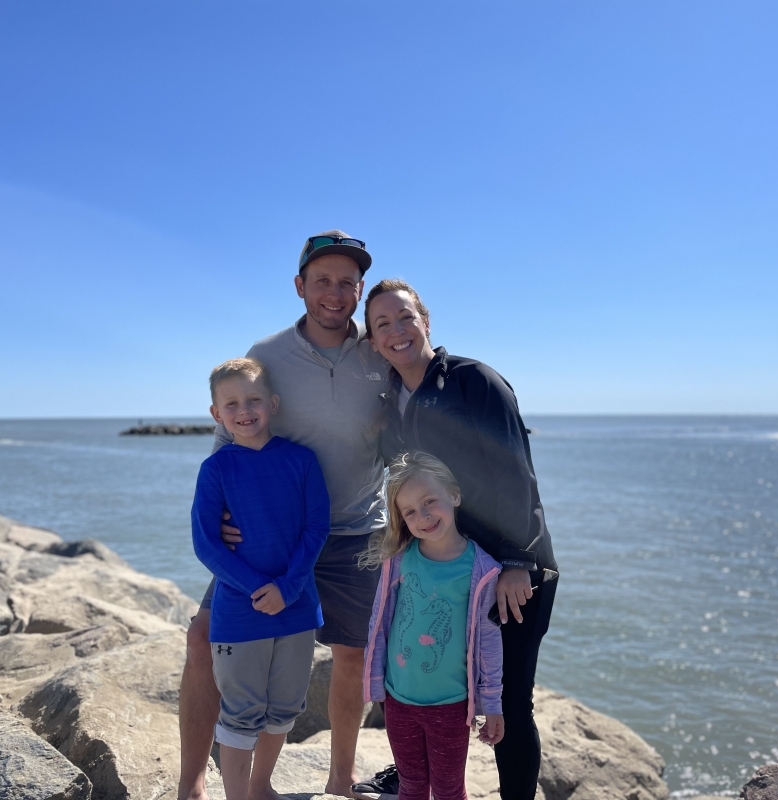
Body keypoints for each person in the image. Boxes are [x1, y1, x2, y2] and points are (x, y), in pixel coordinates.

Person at [178, 231, 388, 800]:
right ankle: (191, 784)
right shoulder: (266, 354)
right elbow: (230, 435)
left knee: (353, 655)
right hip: (267, 533)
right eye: (322, 281)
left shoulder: (380, 352)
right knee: (201, 638)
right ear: (299, 286)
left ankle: (340, 781)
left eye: (347, 282)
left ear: (360, 289)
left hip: (355, 529)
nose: (334, 293)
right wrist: (222, 512)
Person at [356, 279, 558, 800]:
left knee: (509, 702)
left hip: (505, 571)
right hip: (439, 567)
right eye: (382, 324)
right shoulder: (389, 404)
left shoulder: (474, 382)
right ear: (373, 341)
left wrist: (517, 560)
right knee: (425, 679)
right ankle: (411, 774)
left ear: (425, 321)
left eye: (406, 317)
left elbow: (515, 473)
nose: (397, 330)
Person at [191, 357, 330, 800]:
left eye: (253, 399)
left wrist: (287, 588)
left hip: (297, 605)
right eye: (231, 404)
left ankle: (260, 787)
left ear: (273, 403)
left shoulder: (301, 460)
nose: (243, 410)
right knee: (241, 711)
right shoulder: (216, 469)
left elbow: (316, 528)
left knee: (285, 706)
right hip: (240, 611)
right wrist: (257, 588)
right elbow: (206, 544)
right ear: (216, 414)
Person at [361, 452, 504, 800]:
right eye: (409, 511)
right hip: (398, 699)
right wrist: (374, 681)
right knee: (410, 786)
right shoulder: (399, 558)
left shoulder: (482, 569)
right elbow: (380, 620)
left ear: (454, 495)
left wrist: (492, 703)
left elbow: (488, 640)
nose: (422, 516)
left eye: (429, 502)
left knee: (448, 790)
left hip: (451, 704)